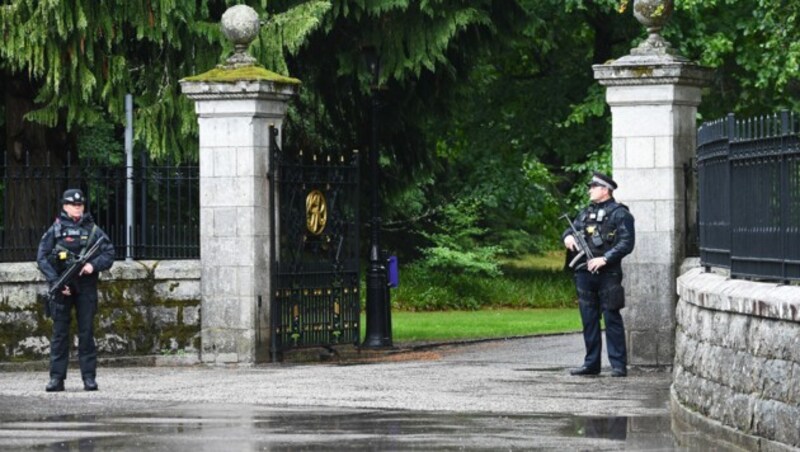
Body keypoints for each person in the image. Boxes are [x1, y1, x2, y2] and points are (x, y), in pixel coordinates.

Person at [37, 188, 115, 392]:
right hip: (62, 287)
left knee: (87, 333)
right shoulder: (55, 230)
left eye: (80, 205)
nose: (77, 208)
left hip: (86, 287)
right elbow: (42, 257)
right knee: (60, 335)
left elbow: (109, 253)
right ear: (64, 206)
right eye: (73, 205)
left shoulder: (93, 231)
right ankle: (56, 379)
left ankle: (89, 378)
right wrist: (57, 282)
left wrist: (93, 266)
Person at [562, 172, 635, 377]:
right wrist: (567, 237)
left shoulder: (620, 214)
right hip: (584, 273)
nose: (589, 190)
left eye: (593, 187)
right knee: (589, 319)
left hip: (608, 273)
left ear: (605, 190)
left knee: (611, 317)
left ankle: (618, 365)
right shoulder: (586, 213)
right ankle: (591, 364)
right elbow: (571, 229)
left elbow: (626, 243)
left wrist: (605, 258)